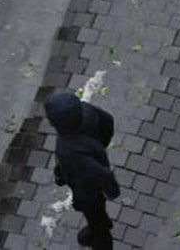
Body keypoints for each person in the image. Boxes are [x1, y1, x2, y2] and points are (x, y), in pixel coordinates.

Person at [45, 89, 119, 249]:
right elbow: (107, 120)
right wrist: (100, 146)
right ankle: (99, 224)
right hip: (90, 178)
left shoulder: (70, 150)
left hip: (87, 190)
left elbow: (102, 174)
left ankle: (100, 237)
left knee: (93, 212)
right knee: (94, 210)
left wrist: (112, 191)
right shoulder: (86, 110)